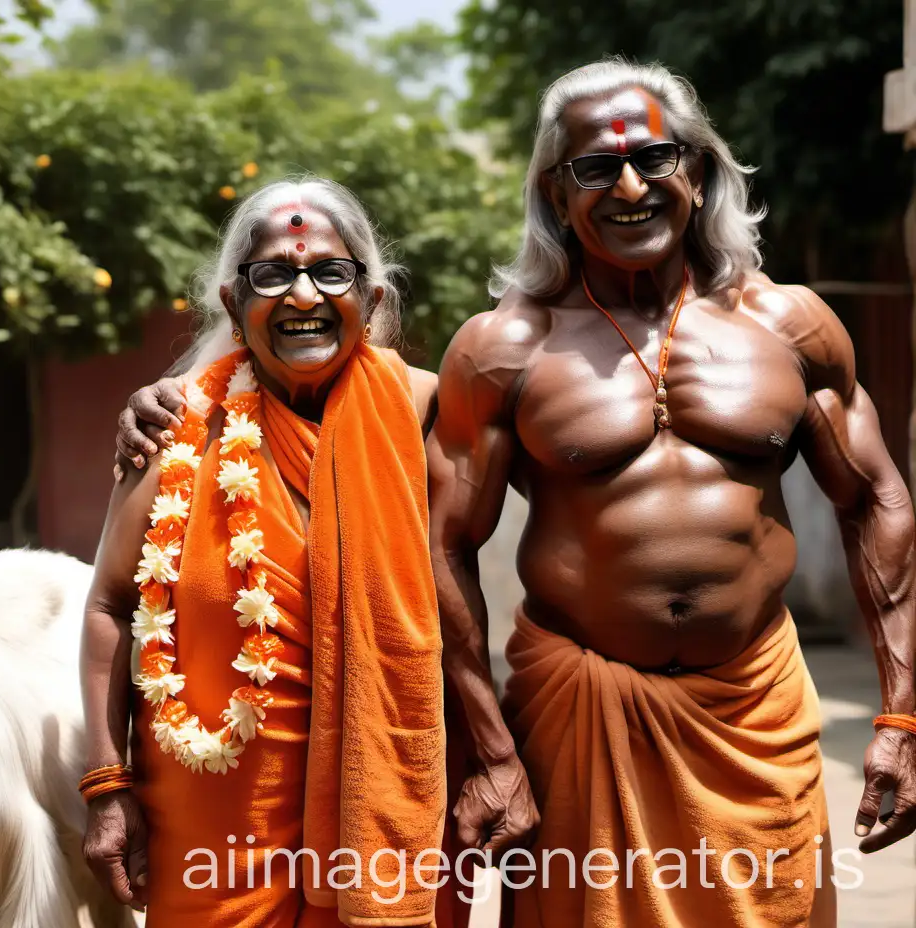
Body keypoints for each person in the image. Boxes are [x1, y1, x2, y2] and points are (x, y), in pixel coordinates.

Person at [117, 60, 916, 927]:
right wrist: (494, 752)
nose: (629, 184)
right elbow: (442, 545)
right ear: (553, 191)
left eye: (655, 156)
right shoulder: (503, 349)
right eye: (594, 167)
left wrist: (900, 718)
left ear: (699, 168)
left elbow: (876, 501)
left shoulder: (790, 325)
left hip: (757, 712)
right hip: (580, 718)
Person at [80, 177, 452, 928]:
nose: (302, 295)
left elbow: (457, 597)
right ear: (232, 302)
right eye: (273, 274)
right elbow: (109, 605)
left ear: (372, 299)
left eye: (329, 272)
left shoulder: (423, 410)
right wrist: (105, 784)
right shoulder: (174, 427)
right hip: (208, 831)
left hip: (380, 813)